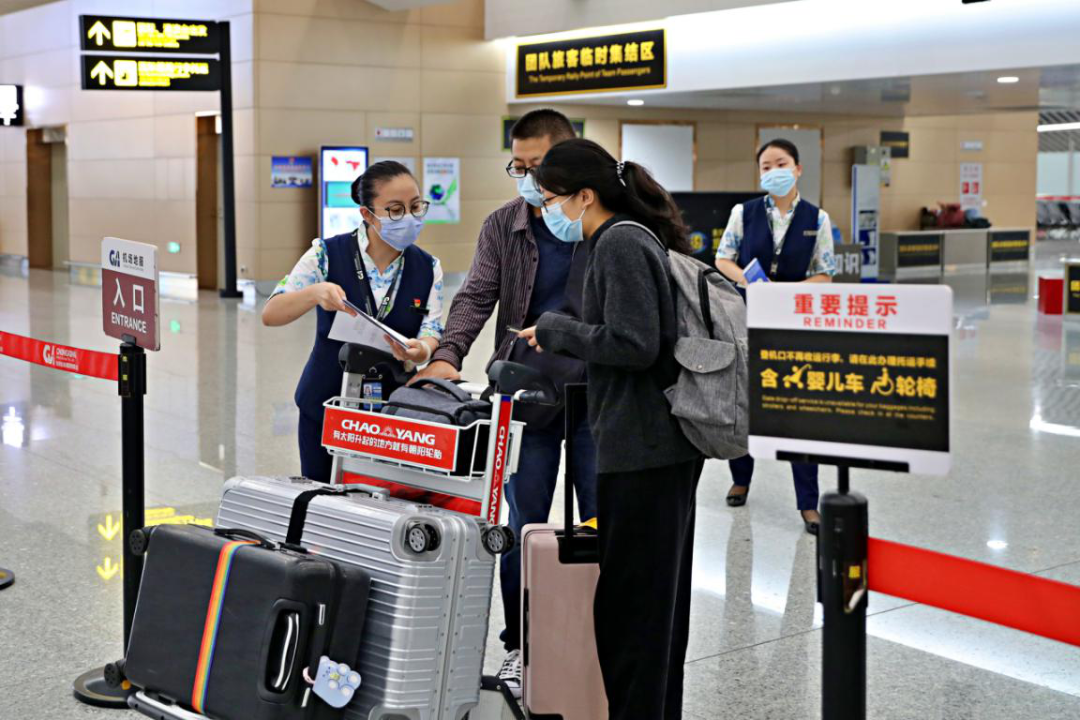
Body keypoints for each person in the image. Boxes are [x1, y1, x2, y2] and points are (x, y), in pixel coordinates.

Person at [413, 109, 597, 698]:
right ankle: (522, 646)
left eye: (537, 167)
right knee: (520, 528)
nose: (525, 179)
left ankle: (599, 641)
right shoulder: (505, 225)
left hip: (602, 400)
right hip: (525, 397)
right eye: (517, 166)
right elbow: (476, 295)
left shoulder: (607, 225)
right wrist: (447, 355)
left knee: (603, 523)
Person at [520, 138, 703, 720]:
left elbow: (635, 342)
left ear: (584, 196)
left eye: (549, 199)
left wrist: (558, 330)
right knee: (649, 607)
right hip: (650, 447)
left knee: (635, 612)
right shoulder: (624, 238)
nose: (546, 210)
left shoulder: (619, 241)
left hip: (645, 451)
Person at [262, 161, 444, 482]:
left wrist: (420, 350)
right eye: (395, 210)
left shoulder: (428, 267)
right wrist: (315, 292)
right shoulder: (327, 254)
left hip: (389, 413)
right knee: (322, 498)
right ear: (367, 214)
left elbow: (432, 330)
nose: (410, 218)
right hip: (326, 402)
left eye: (416, 207)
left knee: (382, 506)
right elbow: (272, 313)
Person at [714, 138, 837, 534]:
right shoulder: (744, 212)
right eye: (765, 166)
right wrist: (751, 285)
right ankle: (741, 477)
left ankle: (808, 503)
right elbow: (723, 259)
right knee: (744, 402)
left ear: (798, 169)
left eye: (780, 163)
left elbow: (825, 272)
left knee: (799, 412)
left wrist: (792, 291)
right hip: (746, 318)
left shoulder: (818, 219)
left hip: (794, 324)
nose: (773, 171)